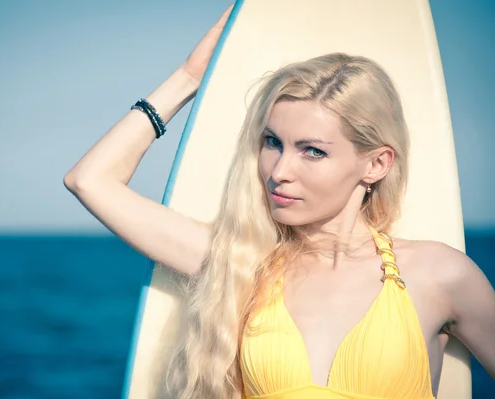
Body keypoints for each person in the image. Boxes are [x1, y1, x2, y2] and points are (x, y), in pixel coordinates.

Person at [64, 5, 495, 399]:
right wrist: (190, 78)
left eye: (312, 150)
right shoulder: (240, 263)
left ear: (376, 164)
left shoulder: (440, 275)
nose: (279, 170)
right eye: (273, 142)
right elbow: (89, 180)